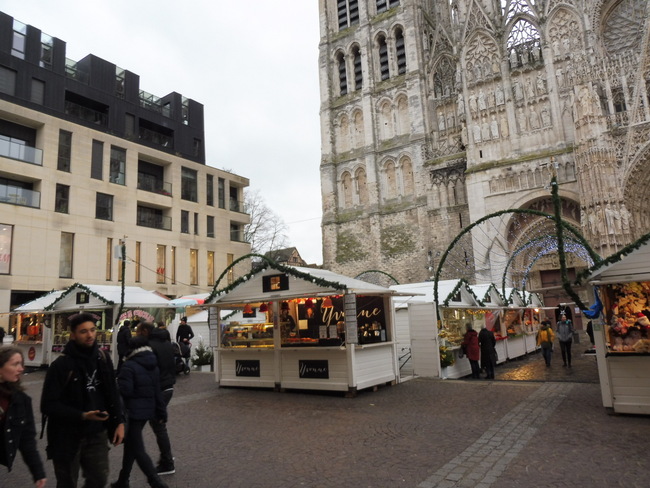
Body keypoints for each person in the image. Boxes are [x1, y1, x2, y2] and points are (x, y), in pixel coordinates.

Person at [41, 312, 125, 488]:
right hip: (66, 436)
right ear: (73, 335)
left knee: (99, 480)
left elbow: (112, 392)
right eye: (84, 331)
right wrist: (82, 415)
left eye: (93, 330)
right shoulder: (60, 366)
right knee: (67, 483)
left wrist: (119, 421)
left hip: (97, 434)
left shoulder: (102, 358)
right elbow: (48, 405)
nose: (90, 335)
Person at [111, 337, 168, 488]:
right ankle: (123, 480)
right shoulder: (152, 364)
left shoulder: (129, 366)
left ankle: (155, 482)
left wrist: (117, 385)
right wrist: (162, 412)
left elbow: (125, 391)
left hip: (133, 412)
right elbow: (157, 391)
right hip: (147, 411)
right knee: (131, 446)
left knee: (137, 449)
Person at [0, 346, 46, 488]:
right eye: (15, 364)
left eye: (21, 364)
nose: (21, 369)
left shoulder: (21, 400)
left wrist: (38, 471)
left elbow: (27, 439)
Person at [137, 322, 176, 475]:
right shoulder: (166, 343)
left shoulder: (149, 346)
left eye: (139, 332)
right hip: (168, 387)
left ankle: (167, 462)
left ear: (145, 331)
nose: (137, 335)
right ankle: (166, 459)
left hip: (156, 390)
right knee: (157, 425)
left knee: (142, 426)